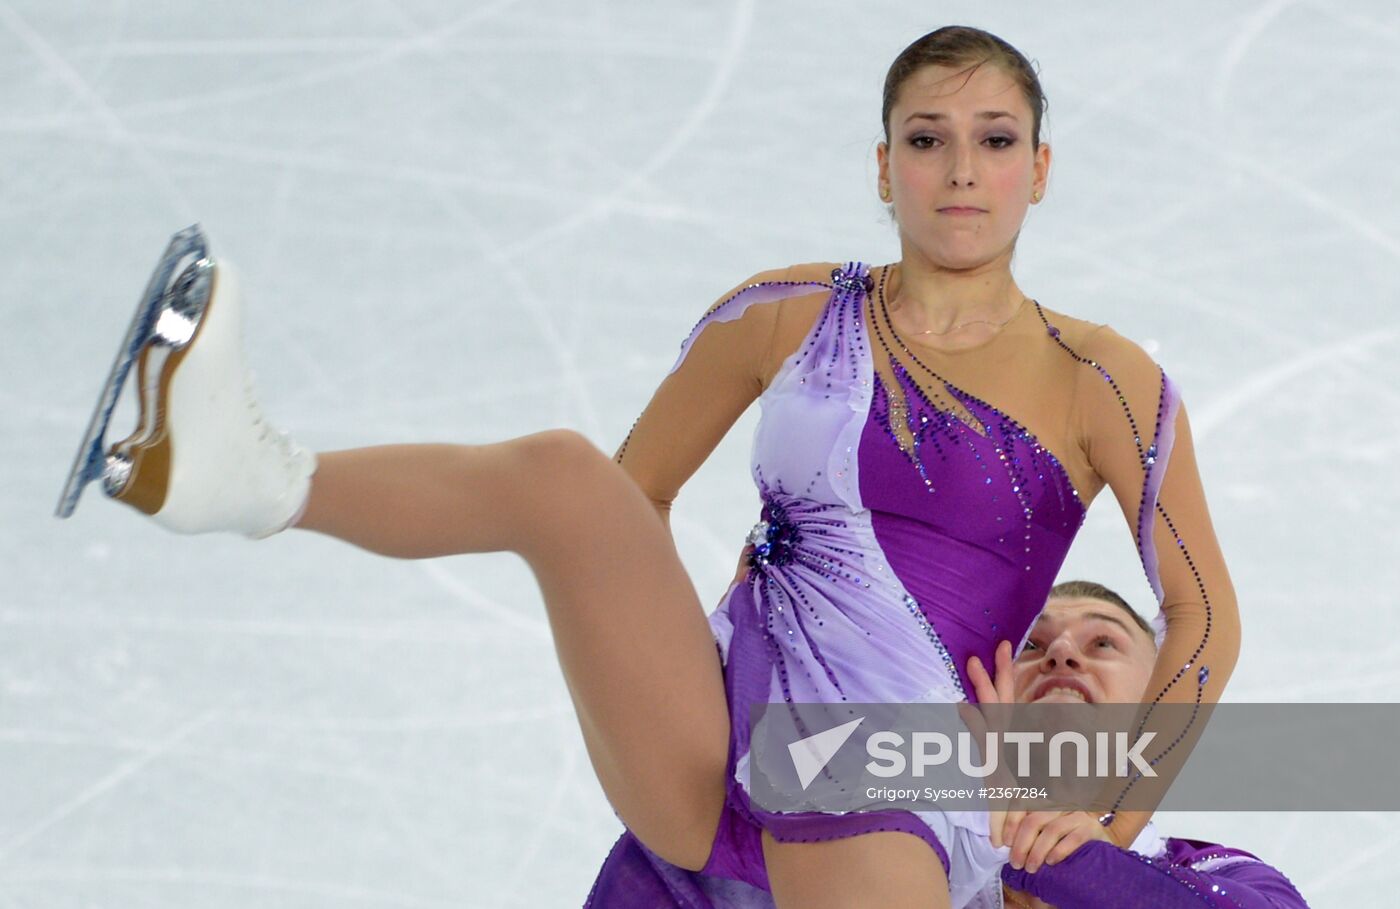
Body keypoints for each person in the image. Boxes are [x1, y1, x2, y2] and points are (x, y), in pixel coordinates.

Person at [65, 25, 1240, 909]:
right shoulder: (777, 316)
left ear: (1039, 169)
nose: (961, 172)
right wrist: (706, 635)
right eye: (927, 142)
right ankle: (235, 474)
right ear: (882, 167)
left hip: (884, 779)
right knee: (565, 481)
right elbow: (630, 513)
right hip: (720, 749)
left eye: (994, 143)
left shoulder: (1102, 378)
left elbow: (1199, 616)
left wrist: (1102, 808)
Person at [962, 580, 1307, 909]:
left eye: (1103, 643)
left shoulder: (1222, 873)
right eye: (1031, 645)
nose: (1061, 651)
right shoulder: (928, 855)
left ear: (1160, 697)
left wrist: (1048, 856)